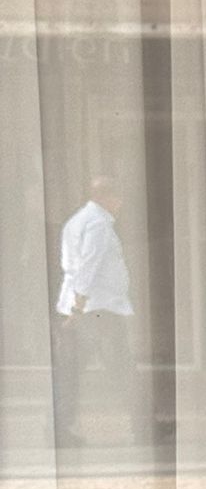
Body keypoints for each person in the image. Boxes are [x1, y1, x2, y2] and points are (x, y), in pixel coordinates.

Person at [54, 174, 135, 447]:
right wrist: (78, 307)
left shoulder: (77, 221)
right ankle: (144, 423)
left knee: (70, 371)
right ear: (104, 197)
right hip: (97, 308)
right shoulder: (98, 224)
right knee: (123, 368)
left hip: (85, 306)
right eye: (117, 196)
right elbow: (89, 266)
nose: (120, 203)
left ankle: (59, 427)